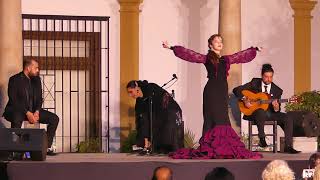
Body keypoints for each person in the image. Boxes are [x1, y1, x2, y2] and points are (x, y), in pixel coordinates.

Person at [163, 34, 262, 159]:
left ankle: (224, 147)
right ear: (210, 45)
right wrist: (172, 47)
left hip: (222, 92)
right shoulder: (207, 58)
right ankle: (213, 147)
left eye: (221, 41)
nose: (219, 43)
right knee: (213, 118)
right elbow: (190, 55)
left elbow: (240, 56)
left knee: (223, 118)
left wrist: (254, 50)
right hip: (211, 92)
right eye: (216, 41)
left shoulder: (226, 59)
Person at [233, 64, 300, 154]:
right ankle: (262, 139)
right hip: (254, 113)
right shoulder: (254, 83)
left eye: (270, 77)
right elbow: (236, 90)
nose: (269, 79)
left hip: (270, 113)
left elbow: (277, 109)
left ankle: (288, 146)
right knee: (260, 111)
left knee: (287, 118)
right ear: (262, 76)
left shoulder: (277, 90)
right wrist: (245, 99)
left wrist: (276, 107)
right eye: (266, 77)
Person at [3, 58, 59, 155]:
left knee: (54, 118)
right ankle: (16, 150)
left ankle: (46, 147)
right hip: (17, 110)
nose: (38, 70)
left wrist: (37, 111)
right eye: (36, 68)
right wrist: (27, 113)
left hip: (33, 111)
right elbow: (14, 100)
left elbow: (39, 99)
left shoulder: (37, 80)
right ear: (28, 68)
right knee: (17, 117)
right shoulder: (14, 79)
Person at [127, 80, 184, 154]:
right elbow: (141, 121)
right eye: (129, 93)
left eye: (131, 92)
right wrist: (145, 141)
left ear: (137, 88)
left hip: (171, 112)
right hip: (160, 116)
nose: (130, 95)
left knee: (169, 137)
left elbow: (162, 108)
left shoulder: (152, 89)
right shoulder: (139, 103)